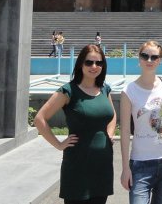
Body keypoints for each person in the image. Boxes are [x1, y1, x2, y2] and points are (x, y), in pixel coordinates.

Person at [35, 44, 116, 204]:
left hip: (103, 164)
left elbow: (112, 115)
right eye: (89, 62)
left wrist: (110, 133)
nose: (94, 66)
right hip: (78, 165)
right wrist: (59, 144)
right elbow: (39, 119)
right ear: (80, 64)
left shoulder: (104, 89)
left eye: (99, 63)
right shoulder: (69, 91)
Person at [120, 40, 162, 204]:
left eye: (154, 57)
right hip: (140, 163)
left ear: (160, 60)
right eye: (145, 56)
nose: (149, 60)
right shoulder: (129, 91)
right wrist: (125, 168)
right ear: (139, 58)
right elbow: (125, 131)